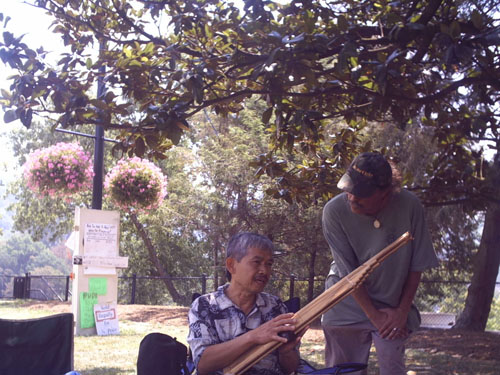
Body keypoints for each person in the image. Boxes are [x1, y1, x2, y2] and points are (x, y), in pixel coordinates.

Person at [321, 152, 439, 375]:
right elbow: (349, 273)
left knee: (392, 368)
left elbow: (417, 265)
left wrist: (402, 311)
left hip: (392, 307)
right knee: (344, 371)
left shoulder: (410, 205)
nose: (352, 198)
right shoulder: (333, 212)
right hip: (346, 303)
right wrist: (374, 316)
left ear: (386, 193)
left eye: (361, 194)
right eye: (349, 189)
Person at [187, 232, 304, 375]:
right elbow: (203, 363)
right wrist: (253, 337)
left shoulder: (275, 307)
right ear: (231, 265)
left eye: (269, 264)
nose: (264, 270)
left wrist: (286, 352)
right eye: (257, 262)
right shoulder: (205, 306)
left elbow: (290, 369)